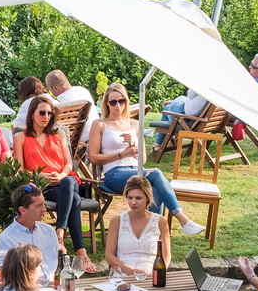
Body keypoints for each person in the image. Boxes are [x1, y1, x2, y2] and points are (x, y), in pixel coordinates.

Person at [88, 82, 207, 236]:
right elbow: (93, 157)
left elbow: (142, 159)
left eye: (121, 101)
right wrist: (121, 154)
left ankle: (152, 236)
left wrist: (133, 148)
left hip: (135, 169)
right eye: (113, 102)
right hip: (114, 174)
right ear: (107, 104)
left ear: (126, 101)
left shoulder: (135, 124)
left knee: (154, 186)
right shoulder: (100, 124)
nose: (118, 106)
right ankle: (181, 220)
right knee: (155, 174)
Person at [12, 94, 87, 253]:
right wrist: (38, 177)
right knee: (73, 199)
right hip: (42, 187)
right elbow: (19, 171)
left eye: (50, 113)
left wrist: (61, 175)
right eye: (42, 113)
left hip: (66, 179)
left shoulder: (58, 134)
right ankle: (81, 251)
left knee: (67, 182)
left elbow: (68, 163)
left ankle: (59, 233)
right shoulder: (20, 137)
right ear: (32, 113)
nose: (46, 117)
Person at [103, 174, 172, 291]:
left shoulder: (160, 221)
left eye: (138, 198)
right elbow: (109, 255)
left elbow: (166, 255)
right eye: (130, 197)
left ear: (147, 199)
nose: (133, 202)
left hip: (150, 274)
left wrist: (158, 272)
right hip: (123, 273)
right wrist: (130, 271)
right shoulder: (117, 220)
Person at [0, 184, 63, 282]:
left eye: (43, 204)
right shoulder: (6, 239)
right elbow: (5, 277)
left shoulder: (49, 231)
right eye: (39, 205)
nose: (44, 209)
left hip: (54, 286)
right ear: (22, 210)